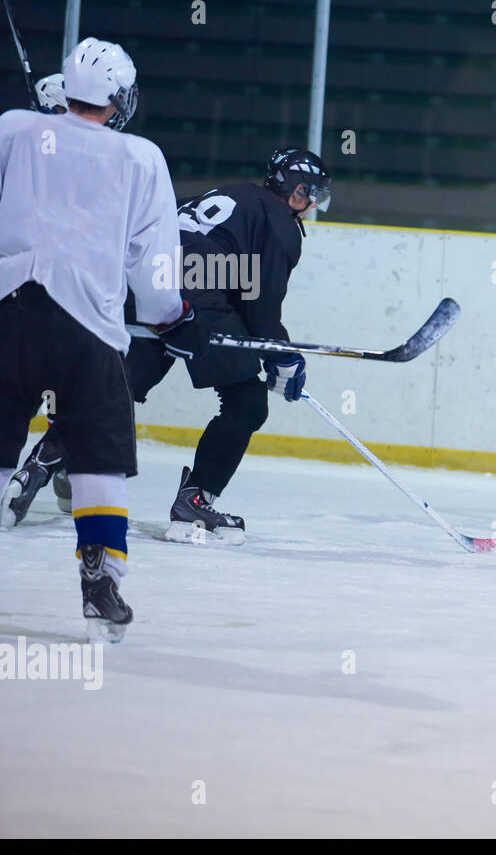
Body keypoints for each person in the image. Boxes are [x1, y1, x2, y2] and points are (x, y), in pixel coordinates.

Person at [4, 147, 332, 543]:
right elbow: (259, 307)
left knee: (117, 390)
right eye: (307, 193)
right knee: (246, 403)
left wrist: (271, 349)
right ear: (291, 191)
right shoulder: (279, 223)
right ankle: (194, 502)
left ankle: (43, 459)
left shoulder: (232, 195)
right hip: (200, 286)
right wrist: (282, 356)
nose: (310, 203)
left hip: (142, 282)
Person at [0, 38, 208, 640]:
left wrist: (38, 126)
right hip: (88, 328)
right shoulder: (141, 157)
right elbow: (155, 264)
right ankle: (100, 580)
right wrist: (171, 316)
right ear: (119, 98)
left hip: (10, 312)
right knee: (98, 457)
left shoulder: (14, 130)